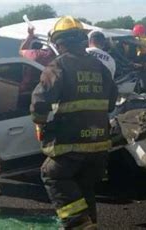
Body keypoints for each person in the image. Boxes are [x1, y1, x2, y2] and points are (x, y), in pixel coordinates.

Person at [30, 16, 118, 229]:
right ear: (81, 40)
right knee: (84, 186)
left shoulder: (58, 65)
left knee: (51, 174)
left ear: (58, 43)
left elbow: (40, 102)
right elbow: (111, 101)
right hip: (99, 143)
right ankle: (90, 223)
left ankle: (78, 223)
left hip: (70, 141)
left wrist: (40, 123)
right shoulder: (99, 66)